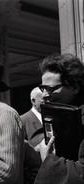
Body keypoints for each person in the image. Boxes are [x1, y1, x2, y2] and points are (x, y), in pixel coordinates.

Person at [34, 53, 84, 184]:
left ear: (74, 87)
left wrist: (48, 160)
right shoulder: (60, 114)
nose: (44, 95)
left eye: (50, 89)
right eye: (43, 88)